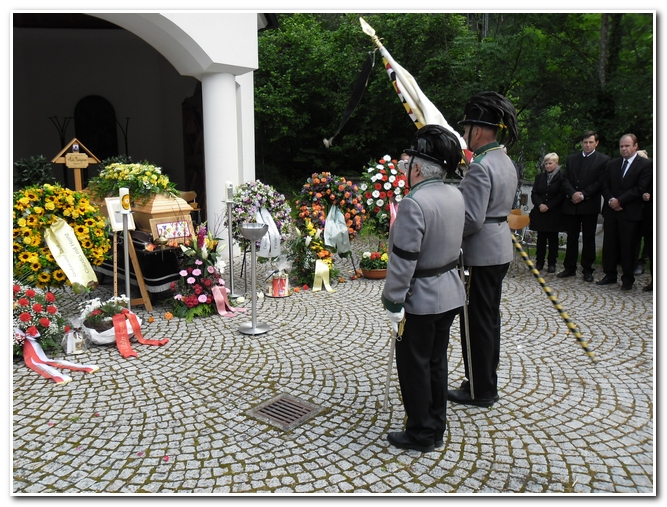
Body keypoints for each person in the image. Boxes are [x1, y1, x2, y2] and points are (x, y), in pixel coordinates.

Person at [382, 124, 466, 453]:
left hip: (421, 299)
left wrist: (393, 300)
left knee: (414, 366)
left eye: (408, 164)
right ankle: (436, 426)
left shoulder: (413, 203)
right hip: (449, 293)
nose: (406, 170)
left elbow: (404, 260)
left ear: (417, 167)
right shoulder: (455, 194)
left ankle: (420, 432)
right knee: (436, 362)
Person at [447, 91, 518, 408]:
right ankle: (483, 380)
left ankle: (480, 389)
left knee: (475, 322)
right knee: (488, 319)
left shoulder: (480, 167)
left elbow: (471, 220)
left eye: (466, 130)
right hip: (499, 247)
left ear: (477, 130)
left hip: (480, 253)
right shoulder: (504, 161)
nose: (465, 136)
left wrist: (445, 236)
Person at [597, 134, 652, 290]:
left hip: (630, 212)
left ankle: (627, 278)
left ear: (635, 146)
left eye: (627, 146)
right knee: (609, 245)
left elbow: (640, 188)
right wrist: (610, 200)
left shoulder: (645, 165)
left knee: (628, 247)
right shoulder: (612, 164)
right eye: (621, 146)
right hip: (611, 211)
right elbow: (605, 185)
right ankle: (610, 274)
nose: (624, 149)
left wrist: (620, 201)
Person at [558, 131, 610, 282]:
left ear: (596, 143)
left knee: (588, 238)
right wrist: (573, 193)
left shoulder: (603, 160)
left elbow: (600, 182)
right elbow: (564, 179)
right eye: (585, 142)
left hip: (589, 205)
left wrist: (583, 194)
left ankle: (587, 269)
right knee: (571, 237)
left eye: (591, 142)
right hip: (571, 204)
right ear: (581, 143)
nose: (588, 145)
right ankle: (569, 267)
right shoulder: (572, 159)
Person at [529, 152, 564, 273]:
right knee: (541, 238)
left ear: (556, 163)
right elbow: (534, 193)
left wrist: (549, 206)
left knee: (553, 239)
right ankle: (539, 262)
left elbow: (561, 195)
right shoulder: (540, 177)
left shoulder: (561, 177)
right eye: (546, 163)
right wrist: (540, 204)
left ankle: (552, 263)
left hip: (554, 212)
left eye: (550, 163)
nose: (548, 166)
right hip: (541, 212)